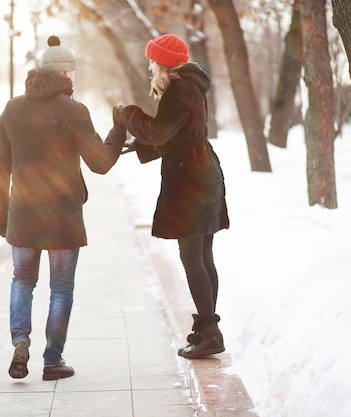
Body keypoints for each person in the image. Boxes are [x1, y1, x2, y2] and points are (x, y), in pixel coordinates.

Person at [0, 35, 126, 380]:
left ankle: (20, 341)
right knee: (61, 289)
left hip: (22, 213)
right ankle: (52, 360)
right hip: (63, 216)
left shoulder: (12, 108)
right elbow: (100, 163)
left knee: (22, 281)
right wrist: (119, 128)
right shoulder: (75, 111)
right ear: (65, 73)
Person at [114, 34, 230, 359]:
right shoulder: (189, 88)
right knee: (203, 256)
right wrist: (140, 146)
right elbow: (174, 134)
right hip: (201, 173)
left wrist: (127, 114)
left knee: (193, 257)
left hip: (190, 181)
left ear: (164, 63)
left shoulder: (180, 90)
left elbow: (159, 131)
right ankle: (208, 330)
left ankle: (210, 332)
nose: (150, 65)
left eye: (153, 60)